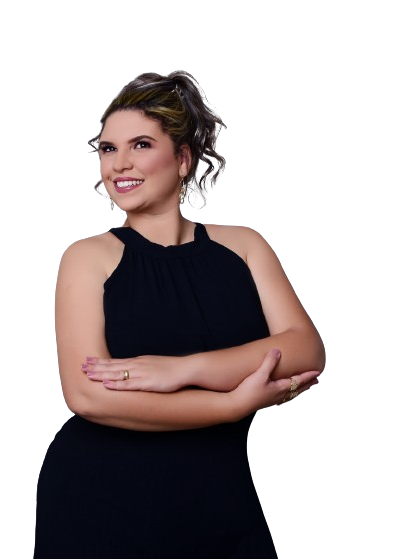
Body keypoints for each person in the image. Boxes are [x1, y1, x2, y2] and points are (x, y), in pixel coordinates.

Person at [35, 70, 325, 558]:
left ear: (184, 158)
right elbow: (87, 397)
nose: (118, 164)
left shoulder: (245, 244)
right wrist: (231, 405)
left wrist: (182, 370)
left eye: (141, 145)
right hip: (105, 503)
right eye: (108, 148)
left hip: (224, 502)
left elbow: (305, 348)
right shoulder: (87, 257)